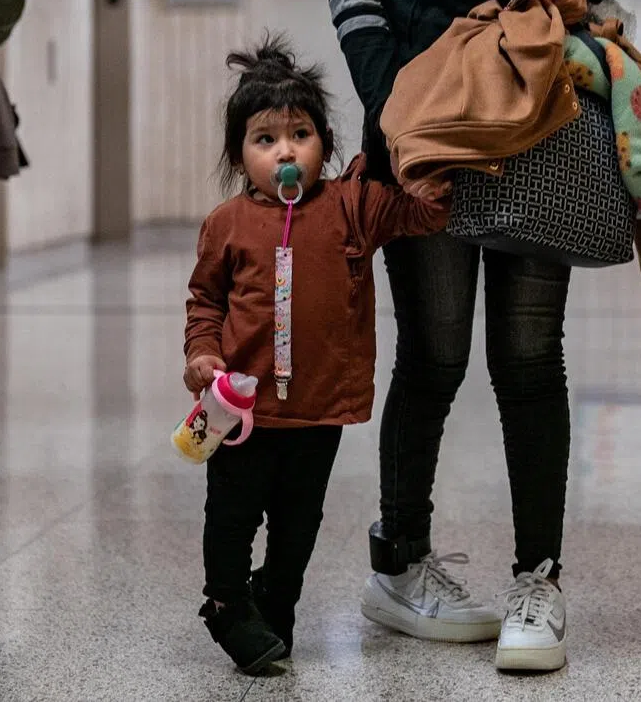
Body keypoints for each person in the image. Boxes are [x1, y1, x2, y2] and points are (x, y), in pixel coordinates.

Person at [320, 0, 641, 672]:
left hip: (542, 119)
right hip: (430, 133)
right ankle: (400, 562)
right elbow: (357, 0)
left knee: (526, 356)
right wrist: (394, 127)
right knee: (435, 354)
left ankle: (537, 585)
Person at [183, 36, 448, 675]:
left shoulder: (353, 206)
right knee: (232, 517)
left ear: (324, 143)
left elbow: (426, 213)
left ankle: (276, 600)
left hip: (318, 409)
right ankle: (224, 601)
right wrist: (201, 354)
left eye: (299, 133)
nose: (284, 151)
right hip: (241, 412)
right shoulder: (226, 223)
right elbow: (205, 301)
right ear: (239, 154)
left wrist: (428, 156)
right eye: (264, 139)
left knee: (298, 526)